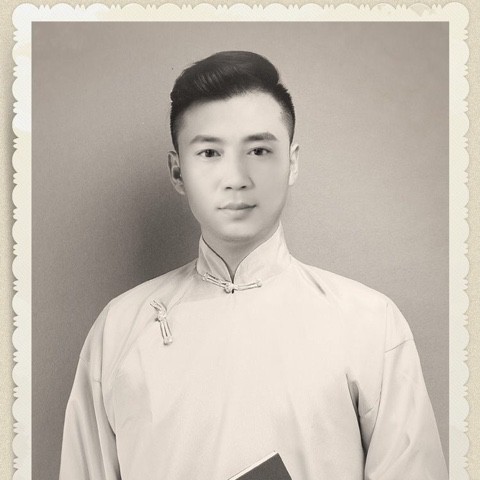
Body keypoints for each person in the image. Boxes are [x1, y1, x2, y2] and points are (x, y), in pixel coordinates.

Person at [59, 51, 448, 480]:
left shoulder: (371, 323)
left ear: (292, 162)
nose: (236, 178)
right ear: (177, 171)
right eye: (210, 152)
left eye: (259, 150)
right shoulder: (118, 329)